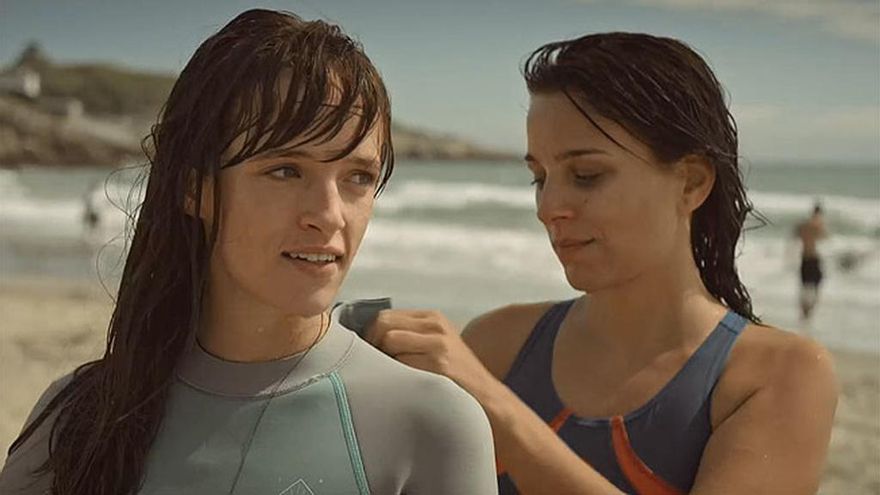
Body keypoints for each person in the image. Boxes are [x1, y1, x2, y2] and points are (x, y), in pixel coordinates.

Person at [0, 10, 497, 495]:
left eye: (358, 177)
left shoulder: (432, 427)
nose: (329, 215)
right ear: (194, 189)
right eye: (286, 171)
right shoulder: (81, 418)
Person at [366, 33, 838, 494]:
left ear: (691, 183)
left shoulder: (779, 375)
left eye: (586, 175)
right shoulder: (497, 344)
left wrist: (494, 405)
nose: (549, 207)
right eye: (539, 178)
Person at [795, 201, 828, 320]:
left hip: (804, 258)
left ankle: (804, 310)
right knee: (817, 284)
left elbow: (796, 236)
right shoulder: (818, 224)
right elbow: (824, 237)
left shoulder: (804, 225)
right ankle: (809, 309)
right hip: (813, 258)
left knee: (804, 286)